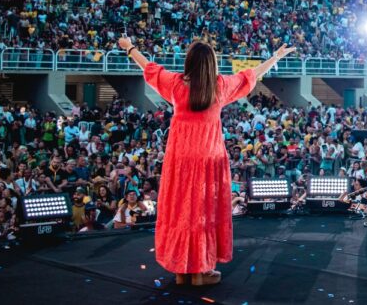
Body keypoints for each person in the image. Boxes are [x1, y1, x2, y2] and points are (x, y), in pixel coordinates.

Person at [120, 36, 294, 287]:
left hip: (180, 158)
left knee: (181, 210)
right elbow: (250, 76)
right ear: (212, 64)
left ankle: (181, 270)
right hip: (209, 158)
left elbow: (149, 68)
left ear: (189, 62)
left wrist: (130, 48)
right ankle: (202, 270)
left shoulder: (175, 85)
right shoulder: (220, 86)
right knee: (203, 211)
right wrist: (275, 57)